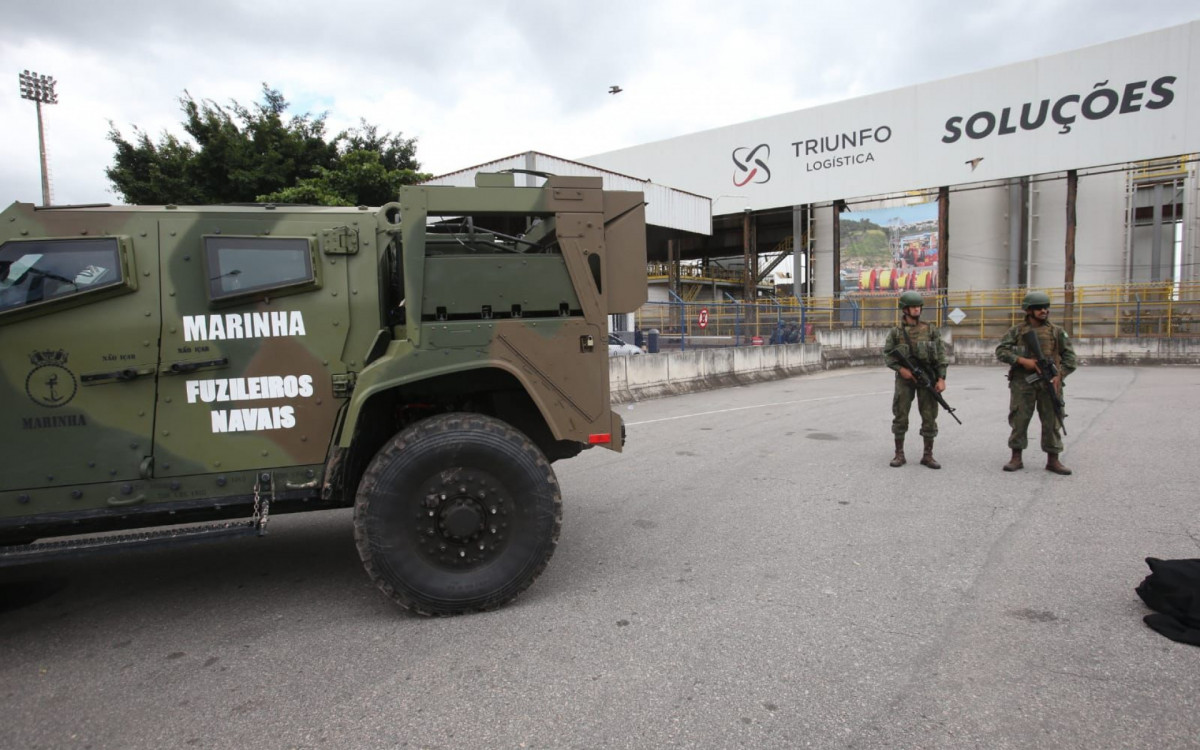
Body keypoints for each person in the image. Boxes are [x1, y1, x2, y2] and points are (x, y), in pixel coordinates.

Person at [994, 290, 1077, 475]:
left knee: (1052, 420)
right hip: (1023, 383)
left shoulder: (1057, 332)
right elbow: (1001, 351)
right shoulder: (1016, 331)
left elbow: (1070, 358)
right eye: (1038, 308)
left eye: (1046, 307)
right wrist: (1024, 362)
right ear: (1029, 310)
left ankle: (1053, 459)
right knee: (1019, 419)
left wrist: (1059, 375)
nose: (1043, 311)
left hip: (1050, 383)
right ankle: (1016, 457)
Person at [883, 290, 948, 469]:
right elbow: (887, 355)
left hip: (928, 379)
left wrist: (941, 378)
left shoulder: (931, 330)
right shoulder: (896, 333)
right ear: (904, 309)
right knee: (900, 414)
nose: (916, 309)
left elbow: (941, 356)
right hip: (905, 380)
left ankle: (928, 455)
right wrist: (900, 369)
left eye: (918, 306)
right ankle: (899, 454)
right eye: (912, 306)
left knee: (929, 415)